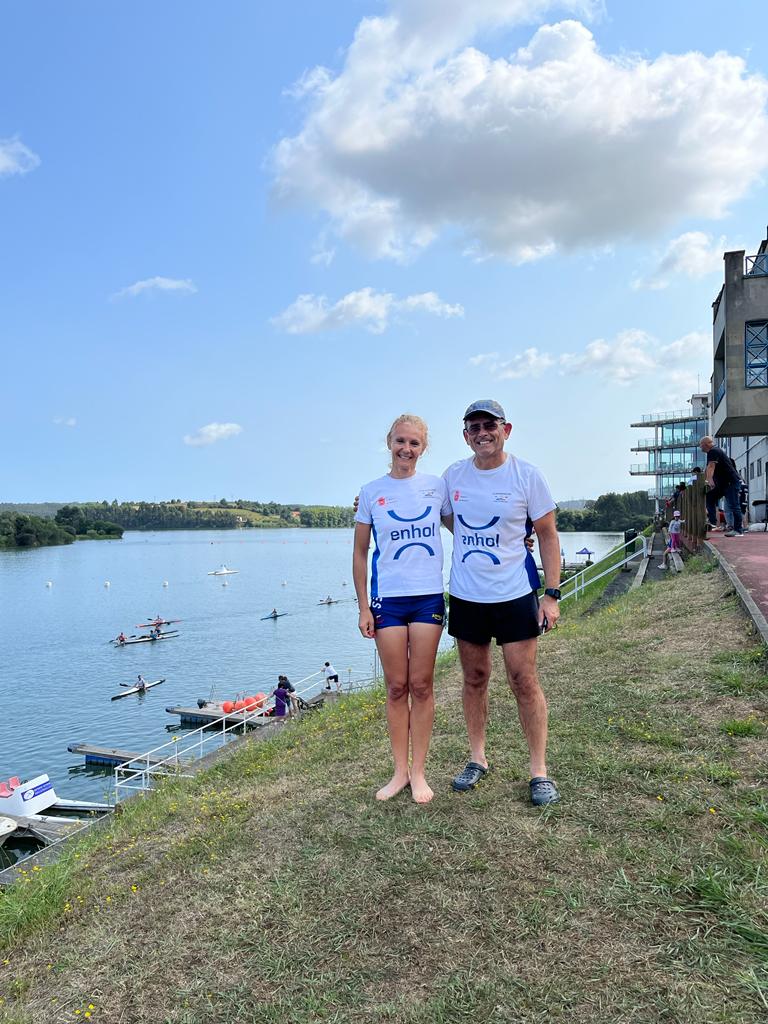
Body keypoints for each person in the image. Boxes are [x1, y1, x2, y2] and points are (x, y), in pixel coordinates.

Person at [445, 400, 562, 806]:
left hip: (515, 595)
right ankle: (478, 758)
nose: (482, 433)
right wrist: (365, 504)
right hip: (466, 596)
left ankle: (539, 771)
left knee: (522, 680)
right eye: (473, 427)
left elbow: (547, 535)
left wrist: (551, 595)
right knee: (474, 678)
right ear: (465, 435)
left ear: (506, 429)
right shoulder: (453, 476)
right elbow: (439, 514)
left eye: (489, 425)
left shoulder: (527, 475)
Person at [353, 413, 452, 804]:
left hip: (428, 597)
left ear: (423, 448)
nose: (406, 449)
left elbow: (464, 529)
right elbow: (361, 554)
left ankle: (419, 773)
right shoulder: (371, 493)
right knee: (396, 687)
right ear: (389, 442)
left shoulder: (436, 487)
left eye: (414, 443)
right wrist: (363, 607)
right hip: (388, 601)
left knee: (421, 685)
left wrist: (512, 541)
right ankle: (398, 773)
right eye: (400, 441)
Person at [700, 436, 743, 536]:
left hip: (730, 482)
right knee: (710, 497)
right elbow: (707, 468)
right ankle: (713, 522)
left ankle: (738, 530)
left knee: (734, 505)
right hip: (722, 484)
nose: (700, 447)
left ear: (705, 444)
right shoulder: (713, 452)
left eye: (700, 445)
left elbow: (711, 466)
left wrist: (708, 481)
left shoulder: (713, 451)